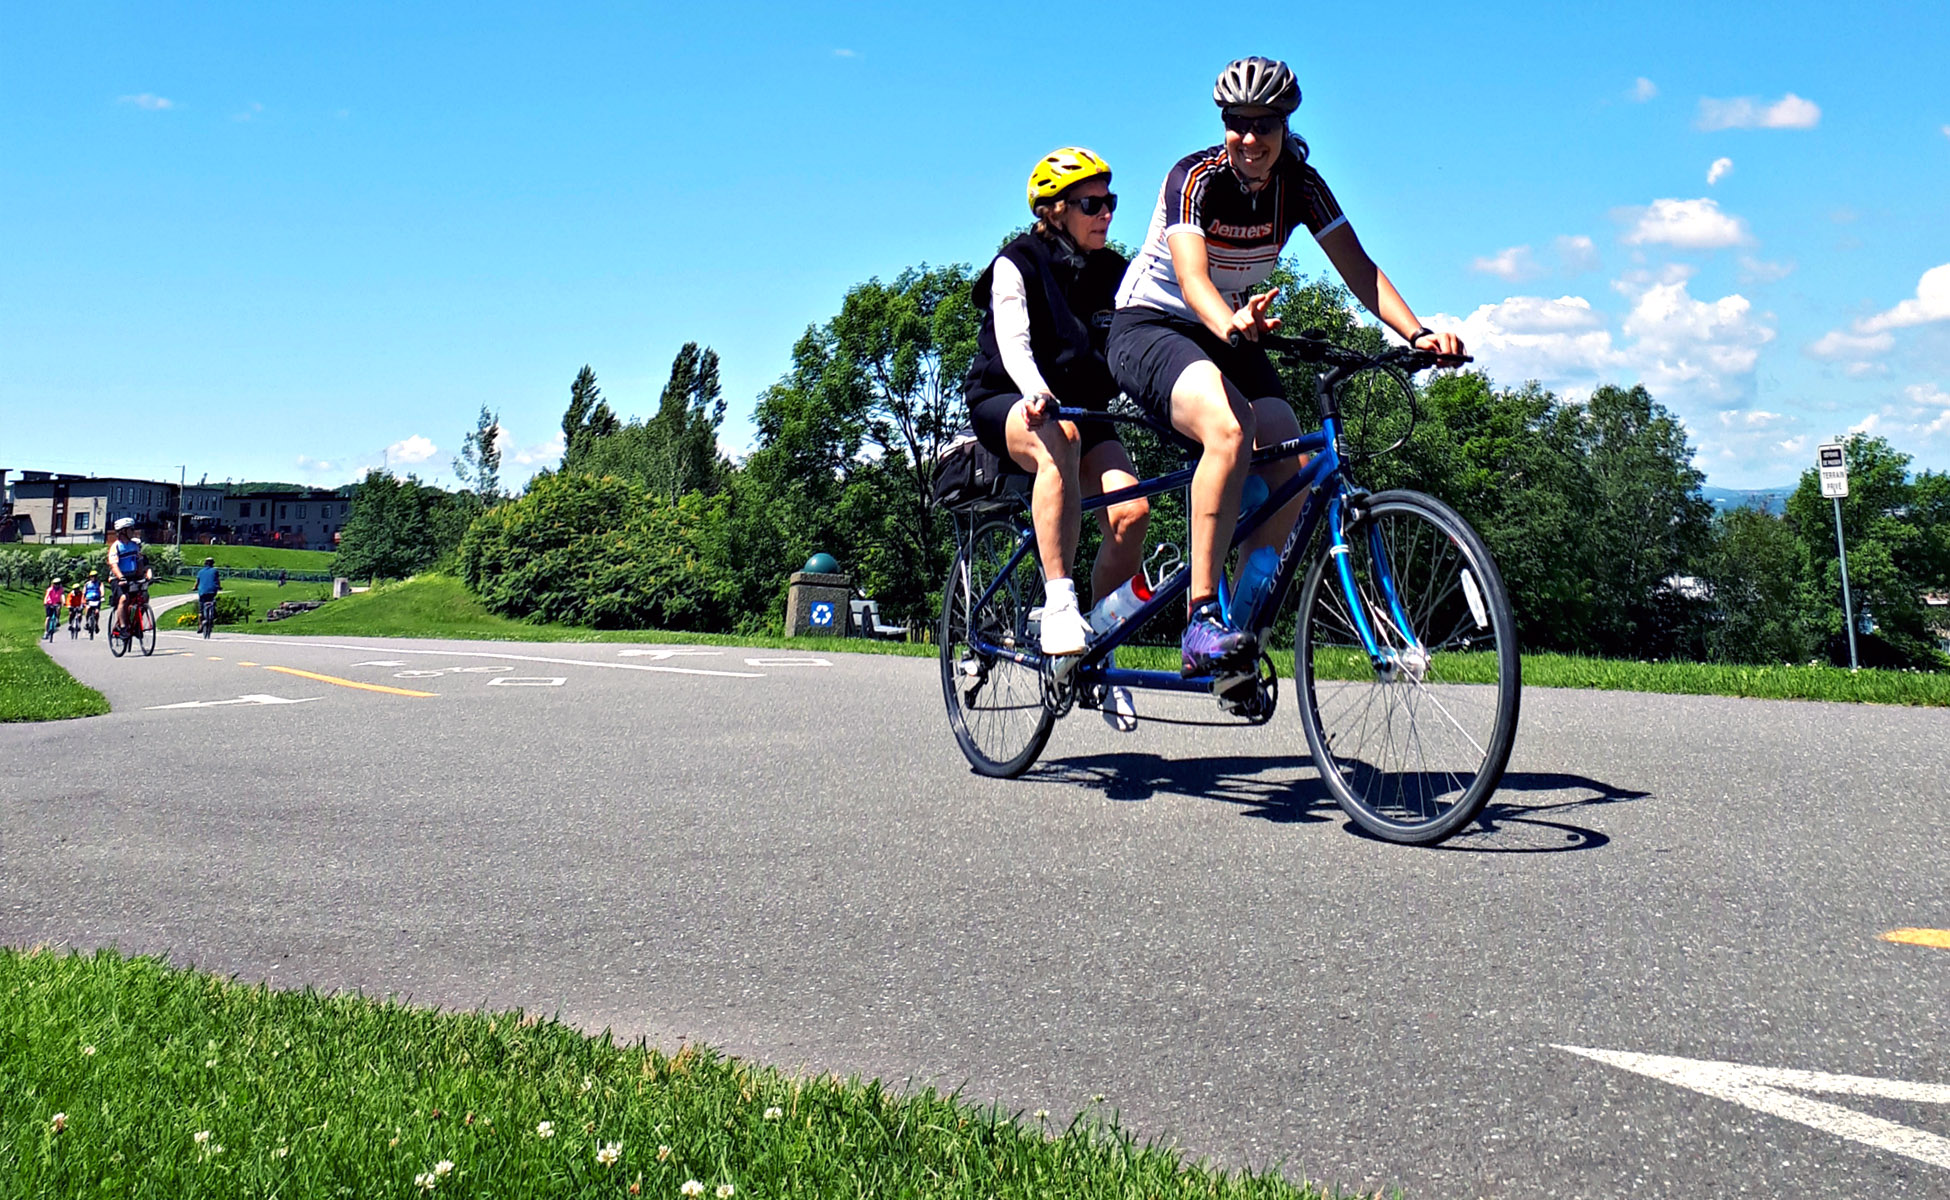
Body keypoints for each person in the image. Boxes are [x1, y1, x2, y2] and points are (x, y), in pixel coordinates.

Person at [1109, 56, 1466, 677]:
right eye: (1237, 123)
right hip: (1153, 326)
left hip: (1231, 334)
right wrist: (1229, 323)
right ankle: (1199, 622)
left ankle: (1238, 641)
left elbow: (1359, 268)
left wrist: (1419, 332)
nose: (1250, 138)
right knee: (1229, 428)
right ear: (1224, 125)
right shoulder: (1193, 179)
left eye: (1265, 124)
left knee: (1291, 463)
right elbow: (1193, 280)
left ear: (1285, 126)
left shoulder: (1301, 186)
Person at [964, 146, 1151, 727]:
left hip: (1082, 410)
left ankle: (1100, 643)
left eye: (1111, 202)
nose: (1107, 214)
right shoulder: (1016, 262)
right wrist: (1034, 391)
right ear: (1055, 209)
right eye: (1093, 203)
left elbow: (1154, 327)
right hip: (1008, 397)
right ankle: (1060, 601)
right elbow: (1014, 341)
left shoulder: (1115, 271)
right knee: (1061, 439)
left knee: (1133, 513)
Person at [107, 518, 152, 637]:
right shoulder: (116, 547)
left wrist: (144, 576)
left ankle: (137, 623)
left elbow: (139, 562)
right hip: (117, 578)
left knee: (144, 597)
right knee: (124, 598)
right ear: (123, 531)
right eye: (131, 529)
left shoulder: (134, 546)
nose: (133, 531)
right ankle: (122, 628)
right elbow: (114, 565)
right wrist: (121, 578)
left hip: (132, 576)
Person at [195, 557, 222, 631]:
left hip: (202, 592)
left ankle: (200, 625)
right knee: (212, 600)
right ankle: (213, 613)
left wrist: (194, 588)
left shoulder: (200, 571)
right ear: (212, 564)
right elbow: (217, 580)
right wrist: (219, 587)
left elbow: (197, 582)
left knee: (201, 609)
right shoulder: (215, 571)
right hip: (212, 591)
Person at [42, 576, 64, 642]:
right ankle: (46, 632)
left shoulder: (61, 589)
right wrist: (45, 602)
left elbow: (62, 596)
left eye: (58, 584)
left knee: (58, 608)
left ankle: (57, 619)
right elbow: (47, 596)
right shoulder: (50, 589)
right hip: (49, 604)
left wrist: (63, 602)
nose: (57, 585)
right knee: (48, 618)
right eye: (55, 584)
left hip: (57, 603)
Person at [82, 571, 103, 636]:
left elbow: (102, 590)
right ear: (90, 577)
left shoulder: (99, 583)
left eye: (95, 576)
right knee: (88, 609)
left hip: (97, 599)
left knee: (96, 612)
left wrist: (102, 596)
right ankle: (87, 622)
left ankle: (96, 624)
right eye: (92, 576)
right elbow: (84, 593)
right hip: (89, 599)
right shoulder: (87, 584)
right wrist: (83, 600)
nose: (93, 578)